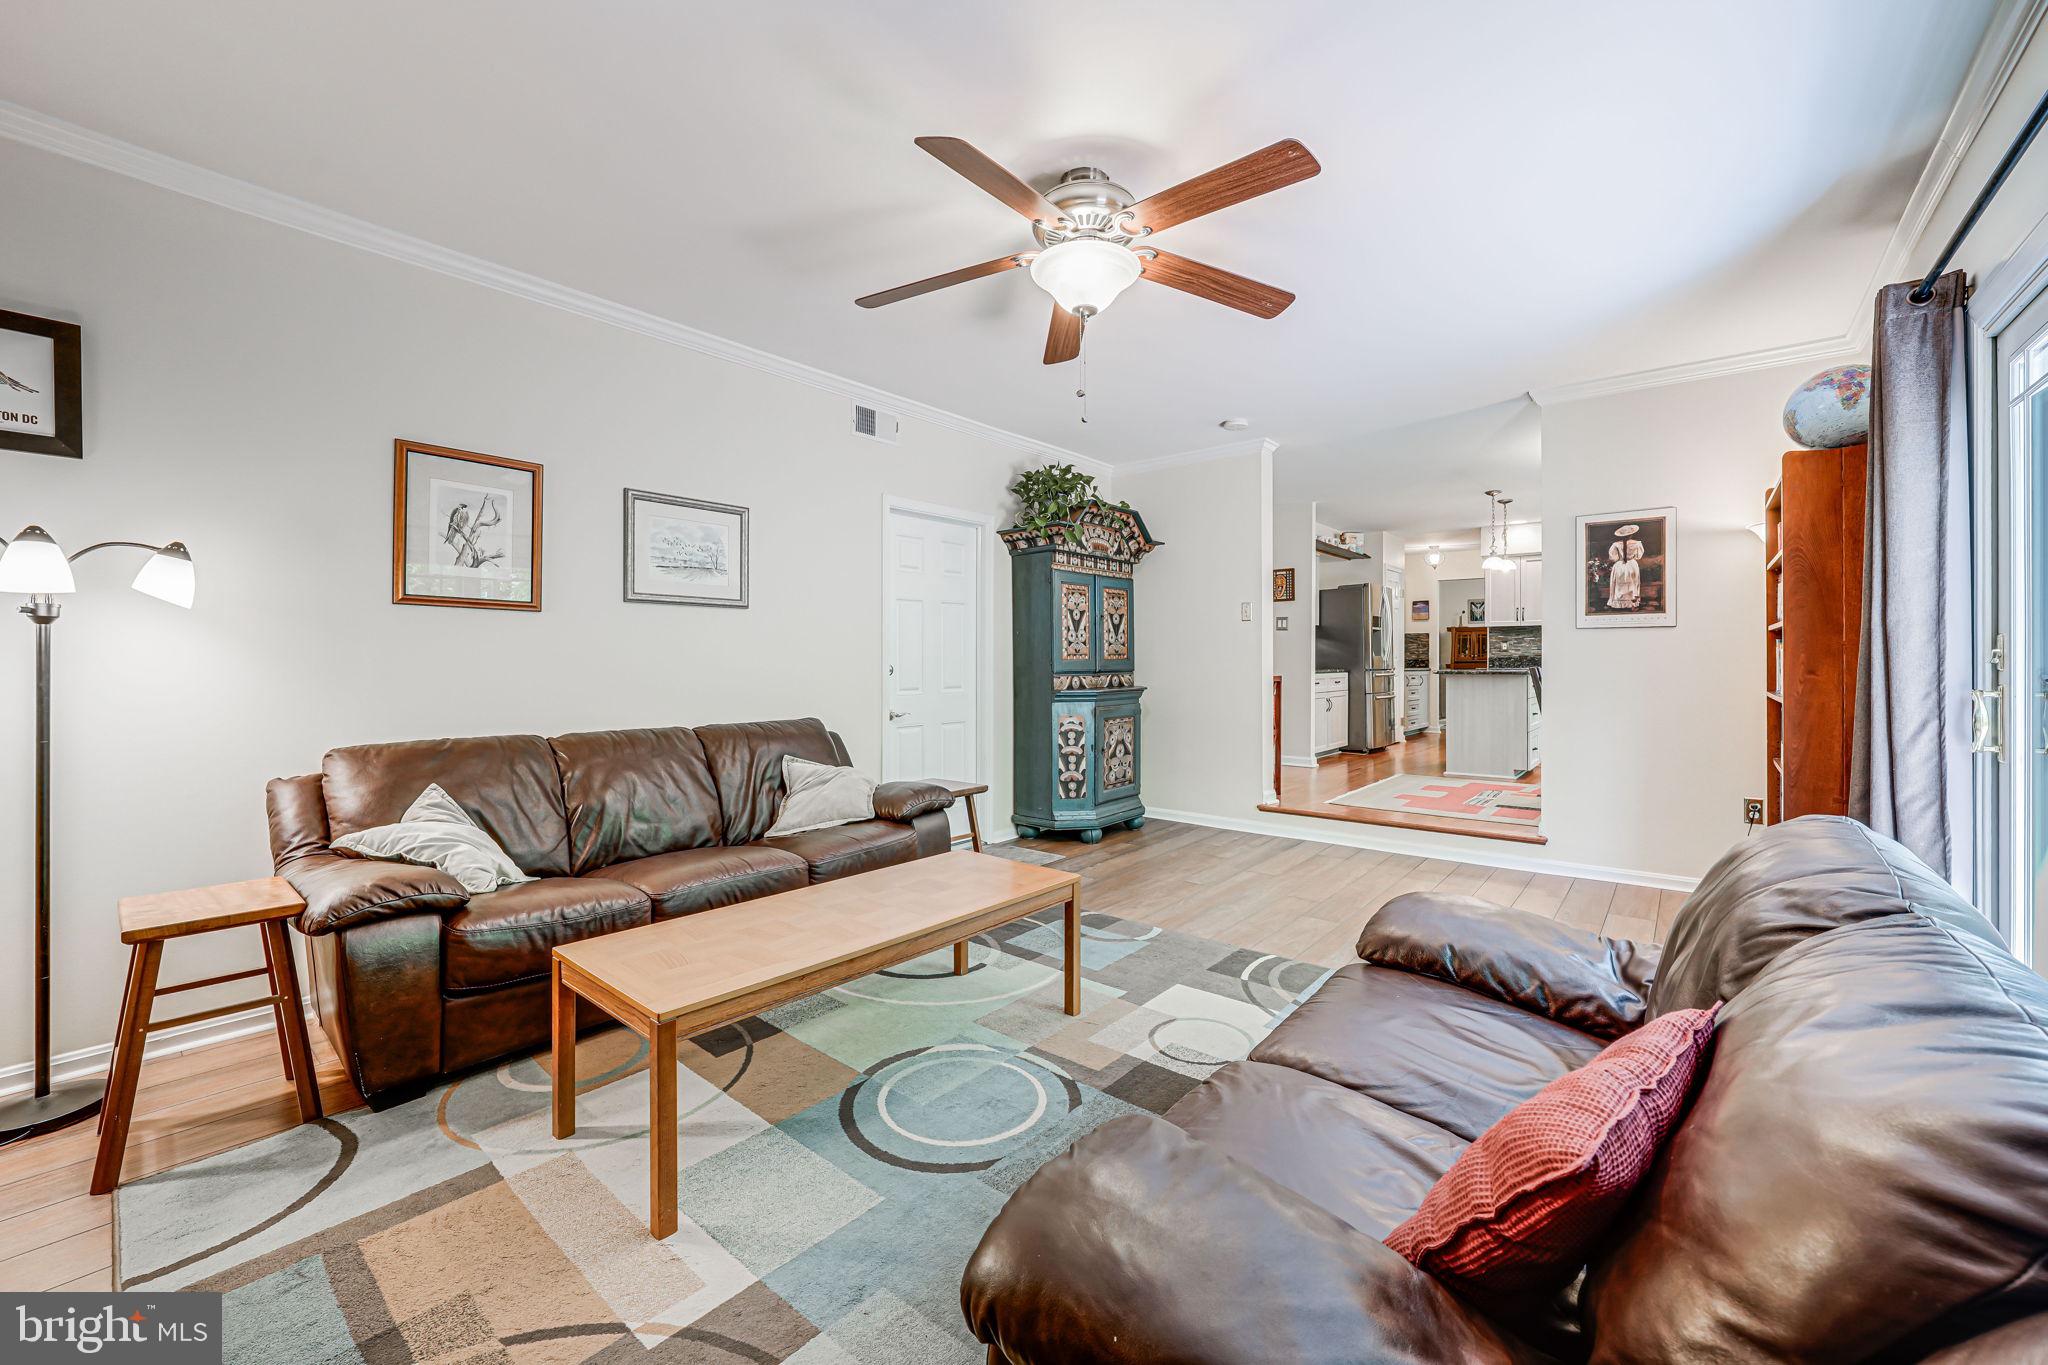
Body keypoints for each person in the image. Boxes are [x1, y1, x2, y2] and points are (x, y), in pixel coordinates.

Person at [1606, 530, 1643, 610]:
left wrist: (1620, 557)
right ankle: (1633, 603)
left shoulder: (1616, 544)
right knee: (1633, 584)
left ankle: (1619, 603)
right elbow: (1638, 556)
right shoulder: (1637, 543)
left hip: (1620, 565)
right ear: (1631, 534)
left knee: (1619, 585)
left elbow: (1613, 558)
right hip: (1632, 565)